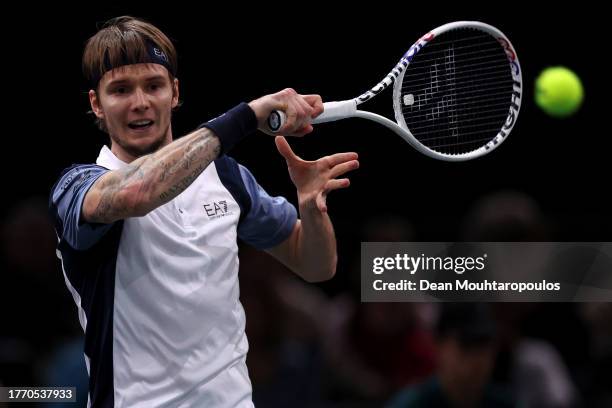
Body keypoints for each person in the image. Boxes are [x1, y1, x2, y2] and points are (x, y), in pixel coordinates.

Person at [49, 16, 359, 407]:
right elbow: (138, 192)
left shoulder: (226, 177)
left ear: (174, 93)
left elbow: (316, 266)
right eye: (121, 89)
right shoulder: (78, 187)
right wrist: (247, 116)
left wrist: (312, 209)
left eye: (154, 86)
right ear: (97, 103)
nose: (140, 102)